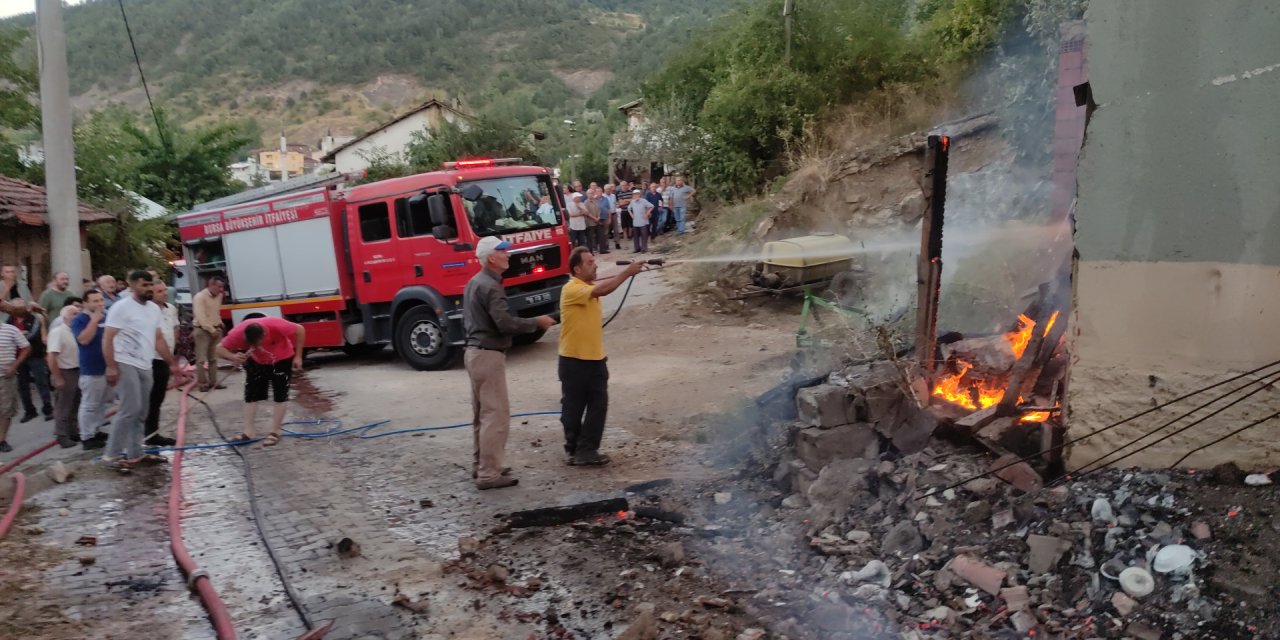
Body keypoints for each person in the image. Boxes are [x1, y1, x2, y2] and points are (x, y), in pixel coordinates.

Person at [462, 236, 557, 489]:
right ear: (491, 257)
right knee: (496, 415)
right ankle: (489, 474)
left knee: (482, 414)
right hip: (488, 354)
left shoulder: (475, 282)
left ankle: (482, 465)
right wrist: (536, 323)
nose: (508, 255)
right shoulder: (491, 286)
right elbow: (504, 323)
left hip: (474, 353)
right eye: (503, 251)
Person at [558, 248, 646, 466]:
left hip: (596, 359)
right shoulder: (572, 289)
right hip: (574, 360)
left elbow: (601, 287)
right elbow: (604, 290)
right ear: (577, 269)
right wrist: (627, 272)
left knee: (598, 405)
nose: (595, 265)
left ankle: (586, 450)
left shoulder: (587, 287)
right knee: (573, 407)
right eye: (589, 262)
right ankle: (574, 449)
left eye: (594, 261)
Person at [102, 271, 175, 470]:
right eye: (144, 285)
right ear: (132, 285)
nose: (149, 289)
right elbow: (107, 338)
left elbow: (158, 338)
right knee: (129, 409)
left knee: (142, 411)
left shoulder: (153, 309)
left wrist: (172, 362)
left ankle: (136, 453)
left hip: (146, 362)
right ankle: (112, 456)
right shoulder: (121, 307)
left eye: (150, 285)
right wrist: (111, 366)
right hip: (124, 361)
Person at [216, 316, 305, 446]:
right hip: (257, 361)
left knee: (280, 394)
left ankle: (275, 432)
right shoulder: (238, 333)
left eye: (257, 344)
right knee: (251, 394)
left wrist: (298, 356)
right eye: (251, 344)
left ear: (264, 335)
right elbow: (218, 348)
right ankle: (248, 432)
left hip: (282, 358)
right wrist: (232, 356)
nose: (255, 346)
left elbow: (300, 330)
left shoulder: (276, 325)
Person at [72, 290, 110, 450]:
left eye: (101, 300)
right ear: (85, 303)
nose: (100, 303)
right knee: (89, 404)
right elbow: (84, 340)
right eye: (95, 301)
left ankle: (96, 430)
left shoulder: (107, 316)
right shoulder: (79, 320)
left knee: (102, 403)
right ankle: (86, 436)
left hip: (107, 367)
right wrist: (94, 321)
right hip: (91, 368)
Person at [143, 281, 179, 447]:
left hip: (166, 356)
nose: (164, 293)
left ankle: (152, 433)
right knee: (149, 398)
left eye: (164, 290)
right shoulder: (147, 310)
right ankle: (147, 434)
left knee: (158, 398)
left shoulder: (171, 309)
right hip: (152, 358)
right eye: (159, 291)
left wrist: (172, 352)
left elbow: (175, 328)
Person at [6, 300, 52, 424]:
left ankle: (48, 409)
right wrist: (19, 335)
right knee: (22, 385)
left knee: (41, 382)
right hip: (18, 356)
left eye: (21, 305)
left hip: (35, 355)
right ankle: (29, 410)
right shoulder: (10, 320)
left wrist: (17, 336)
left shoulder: (35, 318)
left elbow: (34, 333)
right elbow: (8, 336)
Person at [46, 301, 84, 448]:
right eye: (74, 314)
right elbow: (52, 356)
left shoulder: (76, 331)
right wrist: (58, 377)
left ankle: (73, 431)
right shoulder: (58, 332)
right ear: (65, 317)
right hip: (65, 371)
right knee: (63, 405)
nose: (77, 316)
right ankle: (61, 435)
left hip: (77, 369)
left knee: (75, 403)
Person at [0, 316, 31, 453]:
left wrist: (14, 366)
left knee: (6, 410)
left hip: (5, 378)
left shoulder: (11, 330)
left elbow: (26, 347)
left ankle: (1, 440)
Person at [192, 277, 227, 391]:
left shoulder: (219, 296)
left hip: (215, 329)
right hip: (203, 330)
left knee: (213, 358)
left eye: (222, 287)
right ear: (210, 285)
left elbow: (215, 312)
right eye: (219, 286)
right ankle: (202, 384)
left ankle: (213, 382)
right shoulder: (200, 297)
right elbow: (201, 316)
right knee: (201, 358)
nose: (221, 289)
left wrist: (220, 324)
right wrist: (211, 330)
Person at [592, 187, 614, 254]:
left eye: (600, 191)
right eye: (598, 191)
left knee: (605, 233)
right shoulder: (594, 199)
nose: (599, 193)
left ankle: (605, 246)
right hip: (596, 219)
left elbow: (608, 209)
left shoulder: (606, 199)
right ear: (595, 192)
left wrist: (609, 218)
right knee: (596, 234)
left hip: (605, 218)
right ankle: (595, 247)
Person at [582, 188, 602, 253]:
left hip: (597, 221)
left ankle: (602, 249)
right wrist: (594, 218)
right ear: (587, 194)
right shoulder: (586, 202)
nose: (591, 194)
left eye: (592, 193)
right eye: (590, 193)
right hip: (590, 222)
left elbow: (599, 209)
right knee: (590, 238)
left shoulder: (596, 201)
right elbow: (587, 213)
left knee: (600, 236)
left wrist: (598, 217)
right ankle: (590, 251)